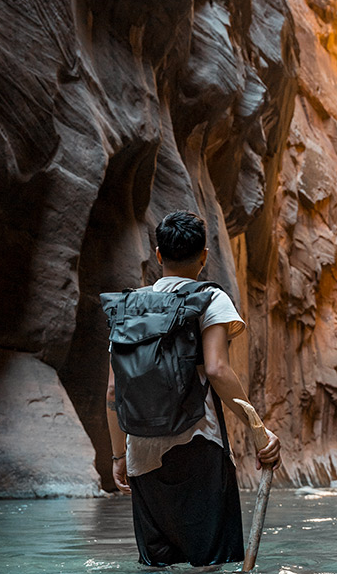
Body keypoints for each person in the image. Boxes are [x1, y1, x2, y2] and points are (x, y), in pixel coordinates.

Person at [105, 210, 281, 567]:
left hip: (140, 451)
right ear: (204, 256)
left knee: (157, 564)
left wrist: (118, 457)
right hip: (199, 444)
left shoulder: (127, 307)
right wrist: (259, 431)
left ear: (158, 255)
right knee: (209, 562)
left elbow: (112, 392)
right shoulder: (211, 298)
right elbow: (216, 368)